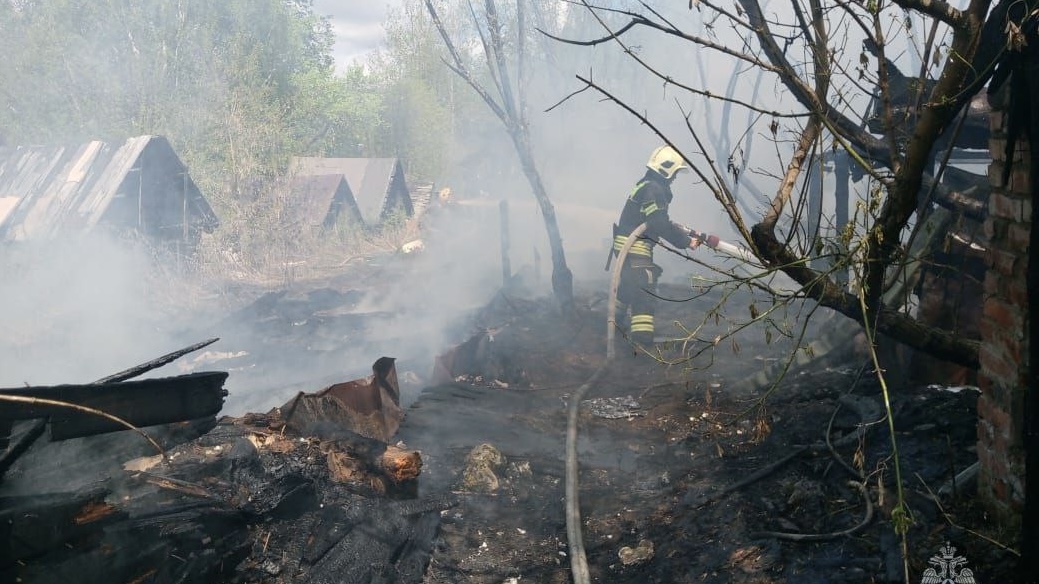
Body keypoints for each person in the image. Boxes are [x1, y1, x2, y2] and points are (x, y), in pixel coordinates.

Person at [608, 145, 701, 349]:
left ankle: (614, 325)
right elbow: (658, 222)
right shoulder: (654, 189)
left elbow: (657, 220)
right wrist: (686, 242)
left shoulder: (647, 184)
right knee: (644, 291)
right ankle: (641, 343)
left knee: (628, 285)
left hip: (626, 245)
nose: (675, 177)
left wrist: (683, 233)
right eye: (675, 172)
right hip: (635, 247)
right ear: (666, 169)